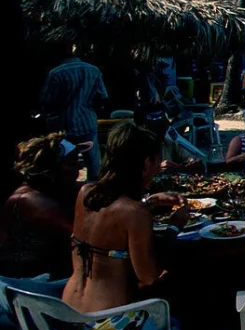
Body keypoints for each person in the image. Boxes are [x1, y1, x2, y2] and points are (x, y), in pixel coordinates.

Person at [62, 123, 187, 314]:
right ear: (146, 163)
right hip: (107, 323)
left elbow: (109, 217)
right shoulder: (135, 212)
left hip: (68, 313)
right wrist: (174, 228)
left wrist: (150, 201)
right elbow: (149, 276)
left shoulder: (85, 194)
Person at [0, 134, 86, 280]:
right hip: (27, 285)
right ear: (50, 171)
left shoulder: (48, 190)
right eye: (71, 164)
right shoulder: (33, 202)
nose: (80, 167)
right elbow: (83, 238)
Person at [39, 44, 108, 180]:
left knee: (63, 161)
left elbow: (46, 100)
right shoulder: (93, 70)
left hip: (64, 125)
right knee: (93, 162)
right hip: (87, 122)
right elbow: (103, 96)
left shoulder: (56, 73)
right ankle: (94, 188)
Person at [135, 107, 203, 173]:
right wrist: (158, 168)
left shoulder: (168, 143)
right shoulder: (136, 146)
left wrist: (191, 161)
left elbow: (186, 156)